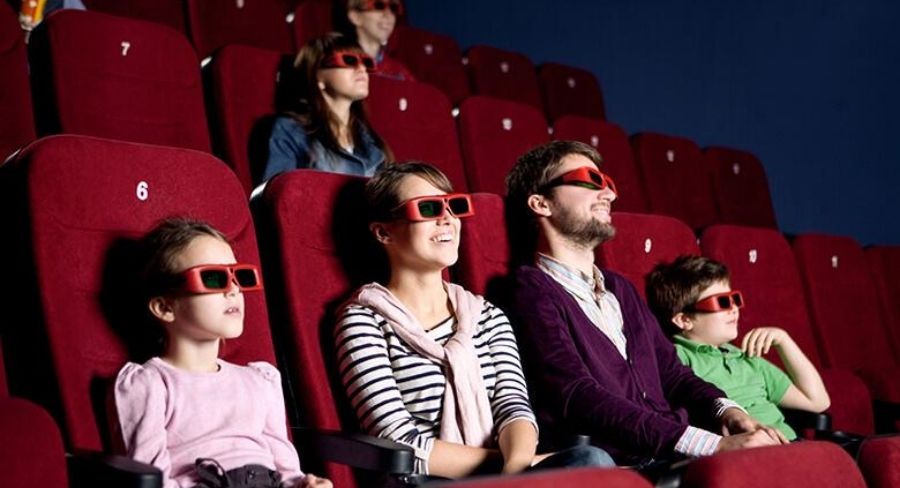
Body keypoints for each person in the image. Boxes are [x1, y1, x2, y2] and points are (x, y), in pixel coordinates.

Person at [504, 141, 789, 468]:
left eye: (608, 185)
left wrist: (731, 412)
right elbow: (576, 395)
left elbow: (673, 375)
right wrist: (712, 445)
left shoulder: (620, 289)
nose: (609, 195)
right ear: (541, 203)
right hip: (619, 465)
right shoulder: (530, 291)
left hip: (670, 456)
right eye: (590, 181)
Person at [334, 162, 614, 479]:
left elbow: (513, 407)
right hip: (424, 481)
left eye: (453, 206)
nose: (447, 219)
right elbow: (397, 440)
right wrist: (507, 475)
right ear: (384, 232)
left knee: (594, 460)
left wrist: (515, 472)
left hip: (505, 473)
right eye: (428, 208)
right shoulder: (362, 320)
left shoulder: (486, 315)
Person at [113, 218, 332, 488]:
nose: (233, 289)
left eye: (239, 276)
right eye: (213, 278)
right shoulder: (151, 384)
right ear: (165, 307)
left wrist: (306, 484)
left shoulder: (260, 380)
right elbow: (151, 478)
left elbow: (287, 472)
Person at [645, 255, 831, 441]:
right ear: (684, 320)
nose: (734, 308)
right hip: (741, 453)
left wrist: (784, 340)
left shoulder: (745, 357)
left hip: (790, 444)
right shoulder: (675, 360)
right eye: (722, 302)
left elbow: (817, 402)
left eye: (735, 299)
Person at [261, 33, 391, 186]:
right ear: (317, 76)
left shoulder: (371, 141)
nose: (362, 68)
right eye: (349, 60)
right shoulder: (290, 130)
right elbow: (277, 197)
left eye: (367, 62)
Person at [336, 0, 414, 80]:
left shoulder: (400, 73)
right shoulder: (338, 64)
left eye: (394, 8)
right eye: (378, 5)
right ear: (355, 17)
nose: (388, 15)